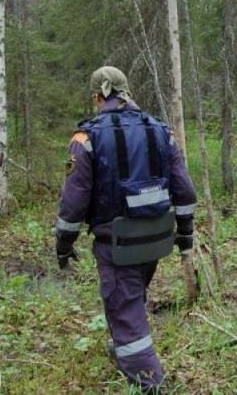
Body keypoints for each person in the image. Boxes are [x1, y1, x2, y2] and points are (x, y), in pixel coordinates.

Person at [54, 66, 197, 392]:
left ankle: (151, 384)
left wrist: (64, 241)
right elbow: (185, 190)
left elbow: (74, 199)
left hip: (118, 243)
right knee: (130, 299)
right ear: (126, 93)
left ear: (97, 96)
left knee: (126, 311)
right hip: (157, 240)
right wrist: (185, 233)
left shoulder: (86, 138)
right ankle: (122, 348)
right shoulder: (161, 131)